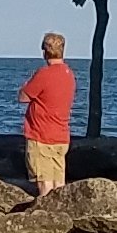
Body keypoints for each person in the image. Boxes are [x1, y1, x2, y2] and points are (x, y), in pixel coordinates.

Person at [19, 33, 78, 196]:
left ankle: (48, 218)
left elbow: (23, 97)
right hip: (61, 136)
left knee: (44, 185)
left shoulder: (44, 74)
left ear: (44, 51)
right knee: (58, 184)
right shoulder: (69, 74)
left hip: (41, 136)